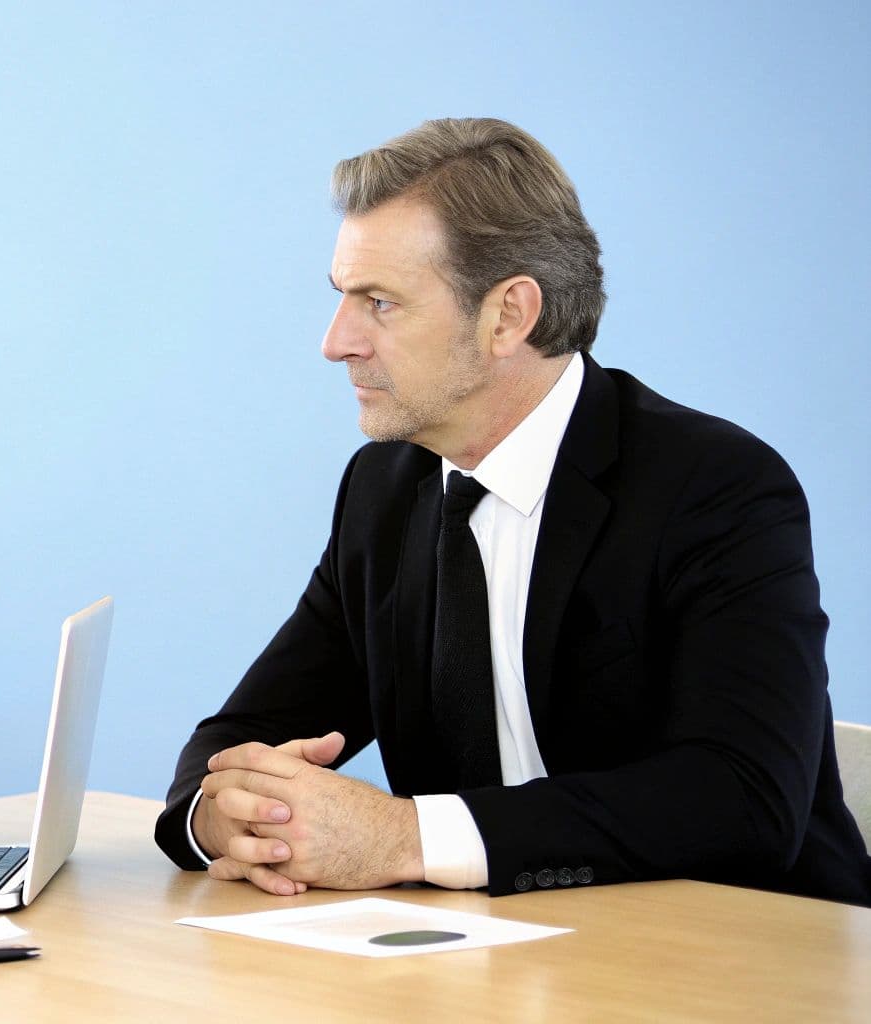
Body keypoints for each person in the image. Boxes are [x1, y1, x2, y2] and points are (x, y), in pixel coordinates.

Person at [155, 118, 870, 906]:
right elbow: (235, 741)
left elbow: (742, 798)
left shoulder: (715, 486)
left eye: (380, 303)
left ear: (508, 315)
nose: (336, 342)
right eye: (342, 299)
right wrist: (224, 819)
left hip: (747, 954)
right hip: (503, 958)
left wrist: (404, 838)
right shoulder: (383, 490)